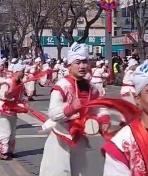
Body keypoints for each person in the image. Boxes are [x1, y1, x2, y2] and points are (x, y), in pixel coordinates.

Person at [39, 42, 110, 176]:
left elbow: (99, 107)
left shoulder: (91, 87)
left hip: (79, 135)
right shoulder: (62, 86)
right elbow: (53, 113)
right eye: (78, 62)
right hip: (61, 134)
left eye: (84, 62)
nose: (82, 66)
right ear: (69, 65)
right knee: (57, 171)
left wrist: (104, 119)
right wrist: (70, 109)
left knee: (79, 170)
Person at [0, 63, 28, 160]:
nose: (23, 73)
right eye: (22, 71)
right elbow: (2, 96)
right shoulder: (8, 82)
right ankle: (4, 151)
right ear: (17, 71)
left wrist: (24, 103)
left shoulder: (20, 84)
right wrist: (8, 95)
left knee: (12, 132)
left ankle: (10, 150)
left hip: (13, 110)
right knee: (5, 131)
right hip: (5, 110)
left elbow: (21, 97)